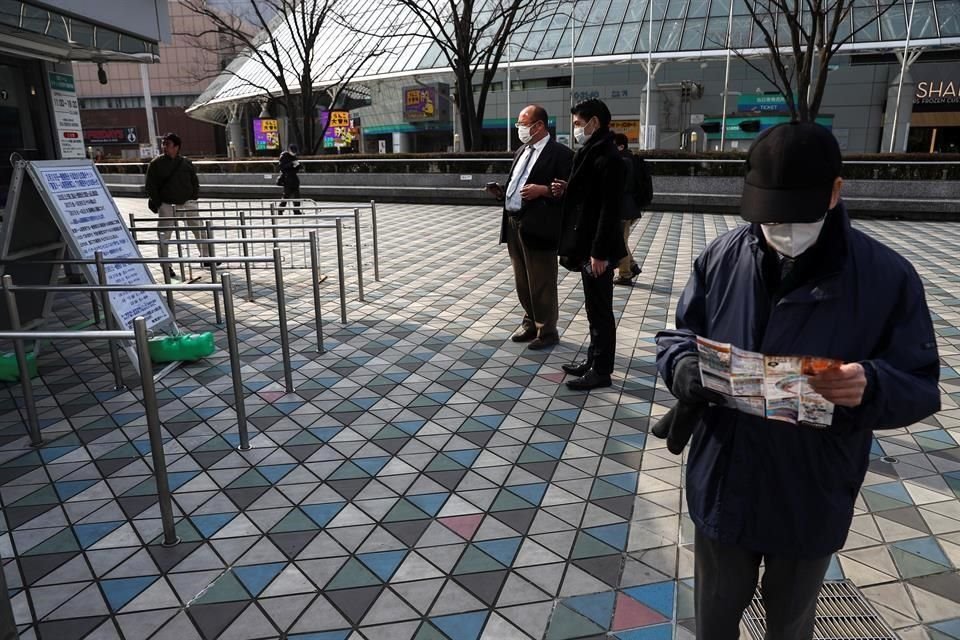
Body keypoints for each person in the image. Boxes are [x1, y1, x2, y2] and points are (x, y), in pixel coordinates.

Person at [655, 121, 941, 640]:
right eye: (770, 214)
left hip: (811, 487)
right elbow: (679, 336)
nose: (782, 226)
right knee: (714, 619)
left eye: (797, 212)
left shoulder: (887, 277)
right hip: (725, 478)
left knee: (790, 624)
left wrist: (871, 384)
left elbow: (922, 383)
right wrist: (684, 368)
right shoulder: (721, 257)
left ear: (836, 190)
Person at [551, 98, 627, 390]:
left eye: (578, 124)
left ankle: (602, 370)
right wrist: (568, 189)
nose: (576, 130)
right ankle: (593, 360)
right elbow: (591, 196)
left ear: (594, 123)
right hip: (587, 244)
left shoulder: (608, 157)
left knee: (601, 310)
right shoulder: (591, 152)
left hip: (599, 249)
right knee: (593, 308)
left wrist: (599, 252)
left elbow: (609, 211)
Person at [486, 105, 573, 350]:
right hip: (514, 222)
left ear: (540, 126)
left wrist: (543, 190)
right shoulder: (522, 150)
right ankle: (530, 322)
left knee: (542, 279)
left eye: (524, 125)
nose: (520, 129)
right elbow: (518, 181)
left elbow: (569, 191)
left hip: (540, 224)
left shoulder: (561, 154)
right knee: (522, 279)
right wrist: (502, 193)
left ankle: (547, 330)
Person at [146, 132, 206, 280]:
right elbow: (150, 185)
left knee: (199, 229)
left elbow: (194, 181)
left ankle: (207, 257)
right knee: (164, 235)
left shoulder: (186, 162)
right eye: (164, 144)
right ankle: (166, 265)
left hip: (187, 202)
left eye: (168, 144)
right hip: (166, 204)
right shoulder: (156, 164)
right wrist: (159, 203)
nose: (165, 147)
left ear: (177, 147)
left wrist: (193, 197)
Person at [612, 133, 643, 286]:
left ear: (621, 146)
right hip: (630, 207)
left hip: (623, 209)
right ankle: (631, 265)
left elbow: (622, 187)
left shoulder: (623, 161)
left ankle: (625, 274)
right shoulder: (631, 158)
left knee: (621, 242)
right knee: (621, 240)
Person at [278, 143, 302, 215]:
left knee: (297, 196)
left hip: (294, 178)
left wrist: (297, 165)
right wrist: (291, 164)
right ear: (289, 150)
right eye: (293, 151)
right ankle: (280, 210)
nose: (294, 153)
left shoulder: (294, 157)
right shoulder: (284, 156)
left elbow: (296, 168)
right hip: (287, 178)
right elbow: (282, 167)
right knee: (286, 196)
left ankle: (296, 210)